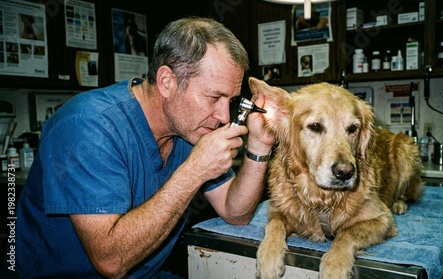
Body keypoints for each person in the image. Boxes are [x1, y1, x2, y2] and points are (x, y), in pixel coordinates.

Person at [7, 17, 274, 278]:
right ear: (167, 81)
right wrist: (193, 171)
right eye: (214, 97)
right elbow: (110, 261)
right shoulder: (87, 127)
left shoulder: (189, 129)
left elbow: (235, 212)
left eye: (230, 100)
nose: (224, 116)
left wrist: (259, 146)